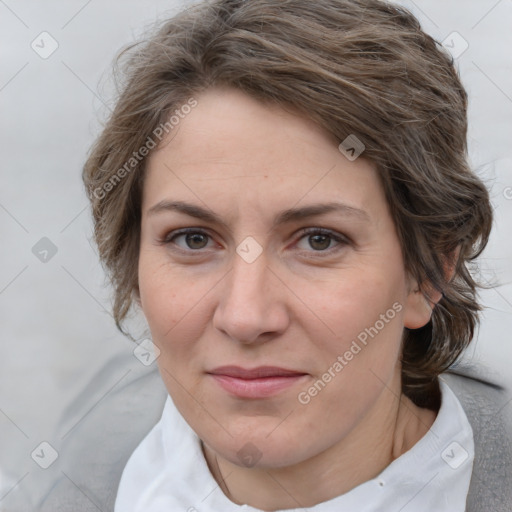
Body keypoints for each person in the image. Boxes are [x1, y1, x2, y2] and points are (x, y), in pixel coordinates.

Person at [69, 0, 510, 510]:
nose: (245, 316)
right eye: (193, 238)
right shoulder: (86, 457)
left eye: (319, 240)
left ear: (429, 272)